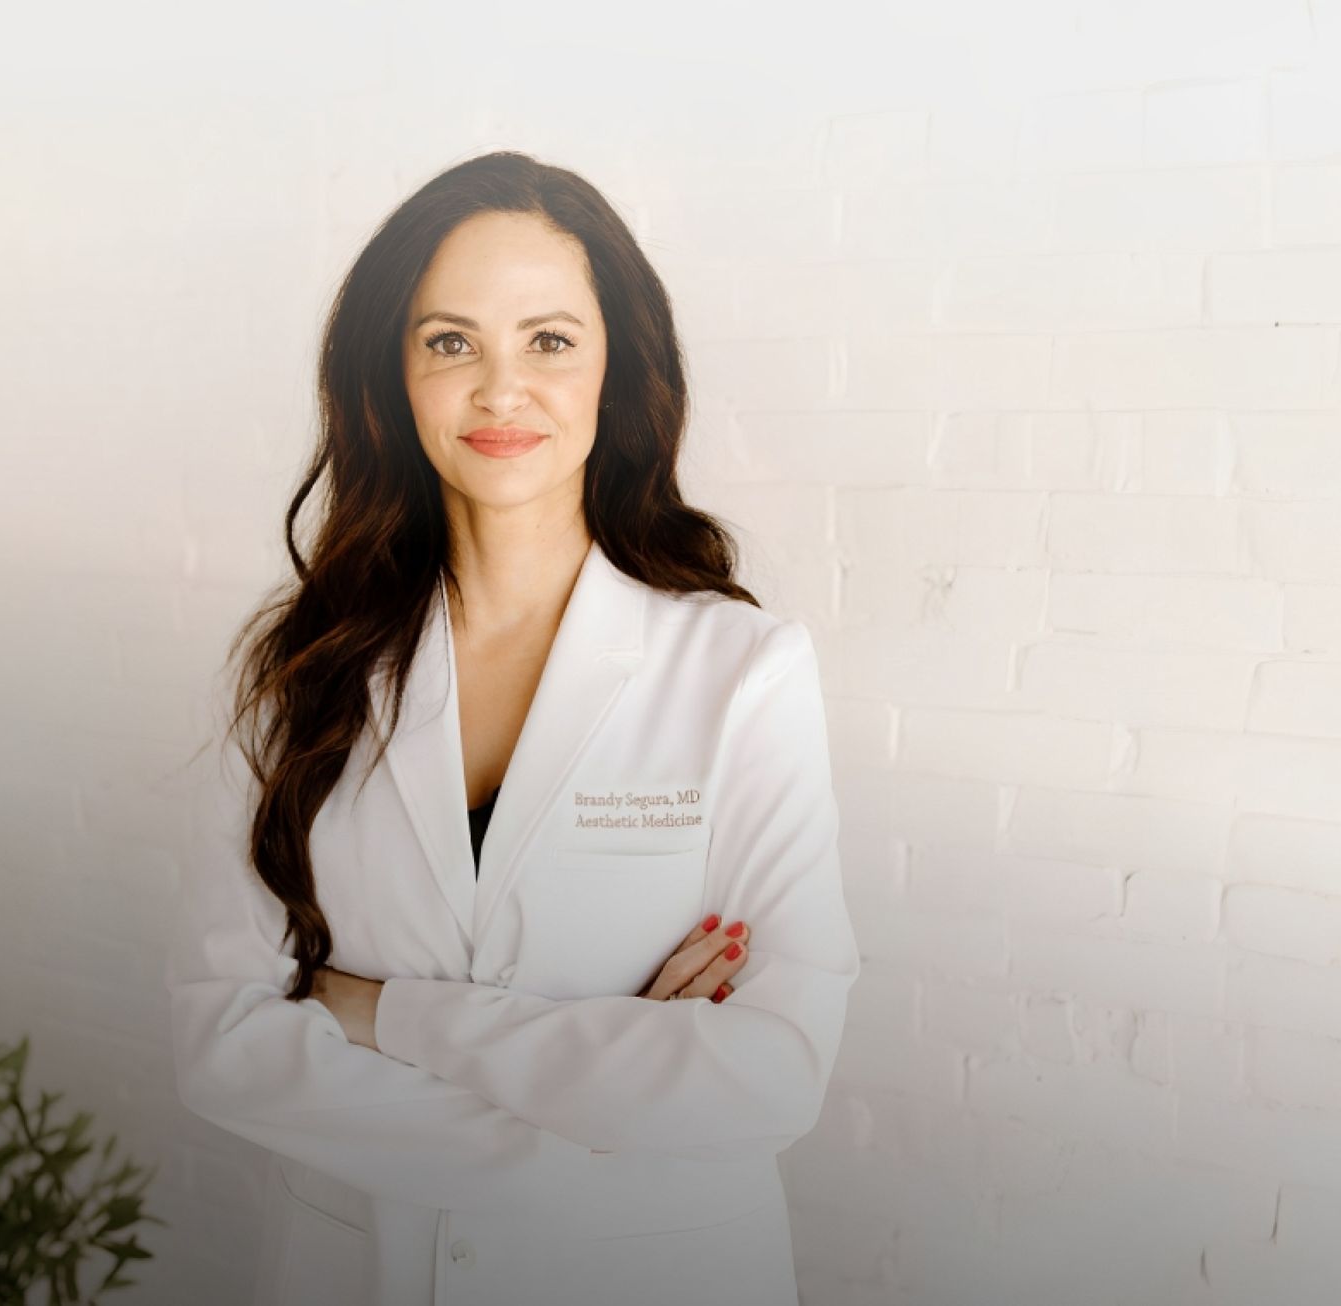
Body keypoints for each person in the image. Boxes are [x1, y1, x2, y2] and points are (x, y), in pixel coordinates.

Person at [168, 149, 859, 1306]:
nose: (500, 390)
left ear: (613, 368)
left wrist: (375, 1009)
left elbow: (772, 1073)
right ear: (393, 376)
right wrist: (603, 1112)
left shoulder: (741, 675)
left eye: (548, 340)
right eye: (451, 342)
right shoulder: (306, 671)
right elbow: (225, 1042)